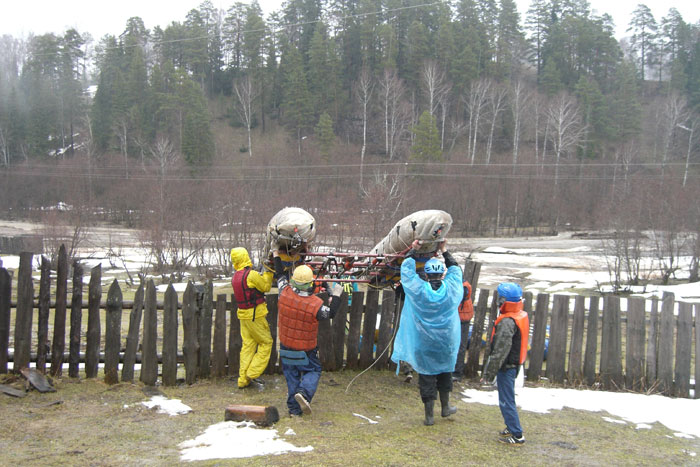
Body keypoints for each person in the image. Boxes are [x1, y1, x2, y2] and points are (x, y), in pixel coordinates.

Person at [390, 239, 463, 426]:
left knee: (426, 375)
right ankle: (445, 407)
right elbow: (456, 270)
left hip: (424, 343)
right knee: (445, 371)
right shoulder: (452, 289)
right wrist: (444, 250)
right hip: (446, 341)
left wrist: (414, 250)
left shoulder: (419, 291)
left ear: (426, 274)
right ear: (442, 273)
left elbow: (406, 272)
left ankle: (429, 416)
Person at [272, 250, 344, 417]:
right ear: (310, 283)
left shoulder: (284, 292)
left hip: (285, 346)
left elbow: (280, 273)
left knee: (291, 376)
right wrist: (338, 295)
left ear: (293, 280)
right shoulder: (315, 304)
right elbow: (330, 313)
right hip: (306, 349)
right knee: (314, 370)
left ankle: (294, 410)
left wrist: (276, 254)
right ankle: (304, 394)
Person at [481, 282, 530, 445]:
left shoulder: (507, 321)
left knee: (506, 400)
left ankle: (517, 435)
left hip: (507, 366)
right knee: (508, 398)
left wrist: (488, 374)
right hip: (515, 364)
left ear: (503, 301)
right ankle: (511, 426)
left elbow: (500, 350)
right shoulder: (520, 315)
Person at [230, 247, 274, 389]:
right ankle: (252, 373)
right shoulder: (251, 275)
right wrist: (268, 271)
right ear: (246, 257)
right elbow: (266, 286)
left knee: (248, 346)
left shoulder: (235, 276)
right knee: (266, 342)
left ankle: (243, 379)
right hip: (256, 315)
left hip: (243, 316)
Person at [453, 280, 474, 381]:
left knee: (460, 346)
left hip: (461, 319)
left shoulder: (463, 286)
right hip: (460, 318)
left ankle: (457, 373)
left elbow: (458, 297)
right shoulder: (463, 284)